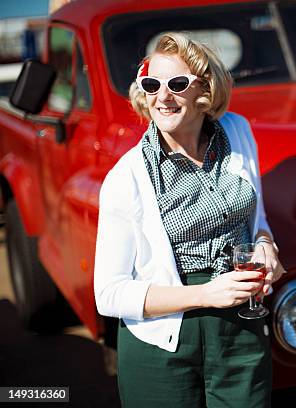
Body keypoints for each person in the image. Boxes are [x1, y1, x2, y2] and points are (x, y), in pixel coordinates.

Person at [94, 32, 284, 407]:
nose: (162, 97)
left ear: (205, 90)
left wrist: (265, 244)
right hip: (162, 346)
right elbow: (109, 294)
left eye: (177, 84)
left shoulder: (239, 132)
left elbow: (257, 217)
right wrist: (205, 294)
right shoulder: (126, 176)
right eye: (151, 85)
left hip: (241, 327)